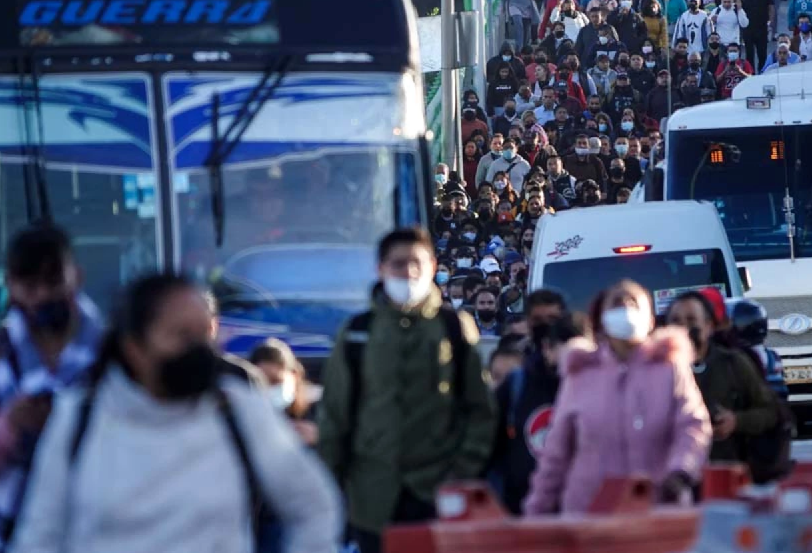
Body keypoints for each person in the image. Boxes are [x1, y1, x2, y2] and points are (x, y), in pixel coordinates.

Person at [8, 273, 341, 553]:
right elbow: (39, 535)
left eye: (202, 335)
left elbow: (315, 506)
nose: (197, 351)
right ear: (133, 347)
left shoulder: (239, 410)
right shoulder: (79, 417)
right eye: (181, 336)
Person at [318, 228, 496, 553]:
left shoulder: (454, 328)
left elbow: (480, 409)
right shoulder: (359, 332)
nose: (409, 272)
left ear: (433, 265)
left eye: (417, 263)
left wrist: (462, 471)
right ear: (381, 269)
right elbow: (335, 415)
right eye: (399, 264)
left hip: (437, 495)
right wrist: (331, 483)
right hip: (372, 499)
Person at [0, 224, 105, 553]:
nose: (41, 296)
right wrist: (10, 425)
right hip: (5, 535)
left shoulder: (112, 352)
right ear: (10, 285)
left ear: (76, 276)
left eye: (52, 282)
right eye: (29, 285)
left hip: (93, 530)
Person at [522, 280, 711, 514]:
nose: (625, 308)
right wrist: (536, 510)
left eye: (632, 302)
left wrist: (681, 470)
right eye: (616, 304)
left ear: (650, 320)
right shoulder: (580, 374)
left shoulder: (669, 368)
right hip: (590, 515)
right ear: (601, 321)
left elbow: (692, 425)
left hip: (659, 512)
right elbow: (556, 452)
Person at [667, 291, 778, 471]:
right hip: (671, 475)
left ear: (709, 325)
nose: (684, 328)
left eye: (691, 319)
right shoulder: (655, 371)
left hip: (727, 472)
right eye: (676, 321)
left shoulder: (732, 363)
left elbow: (770, 412)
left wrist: (736, 421)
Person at [489, 310, 582, 515]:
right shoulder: (519, 384)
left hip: (581, 510)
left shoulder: (600, 388)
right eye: (566, 346)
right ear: (547, 348)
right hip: (519, 508)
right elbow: (490, 444)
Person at [248, 338, 319, 446]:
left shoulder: (318, 409)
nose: (268, 389)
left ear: (294, 376)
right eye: (261, 383)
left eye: (275, 381)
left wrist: (319, 438)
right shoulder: (244, 416)